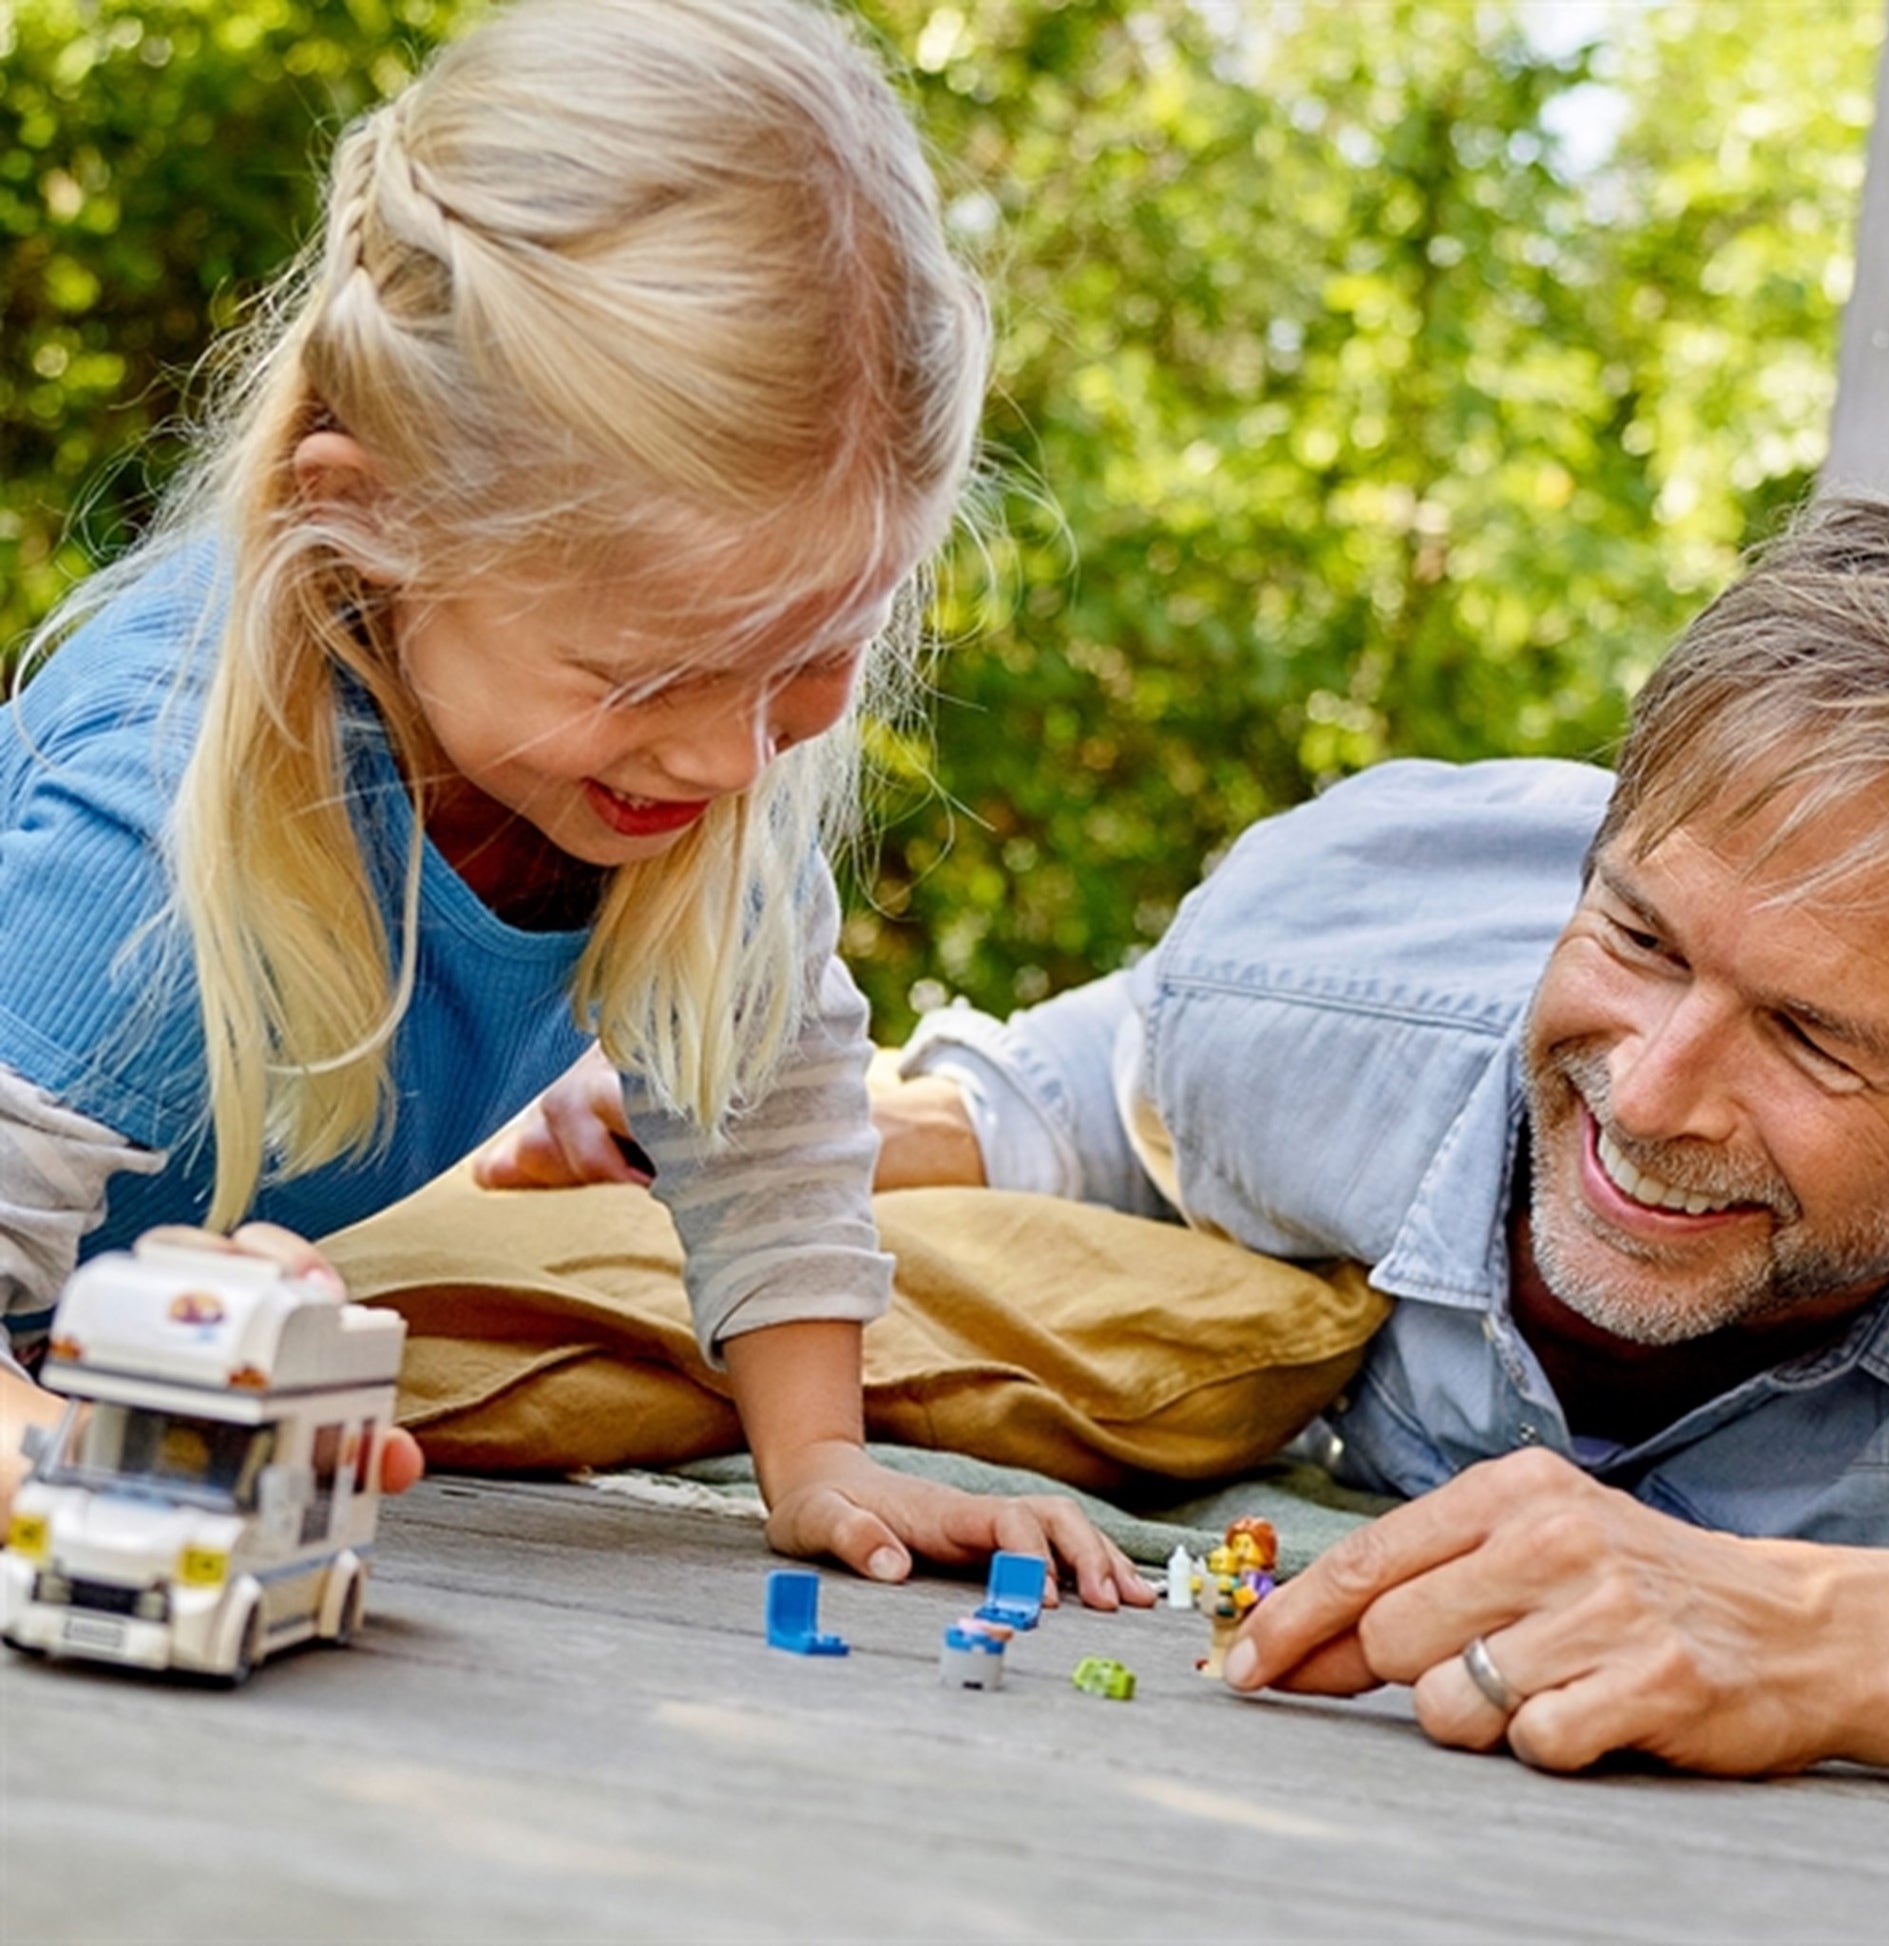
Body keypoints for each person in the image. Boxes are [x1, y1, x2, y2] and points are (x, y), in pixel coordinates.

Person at [0, 0, 1151, 1610]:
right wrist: (65, 1458)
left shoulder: (668, 780)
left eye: (818, 652)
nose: (734, 756)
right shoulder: (151, 804)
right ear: (374, 521)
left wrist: (819, 1459)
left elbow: (765, 1106)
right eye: (647, 673)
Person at [868, 492, 1889, 1773]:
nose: (1650, 1097)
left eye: (1809, 1037)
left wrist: (1805, 1630)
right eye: (1639, 938)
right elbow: (1075, 1104)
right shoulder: (1307, 985)